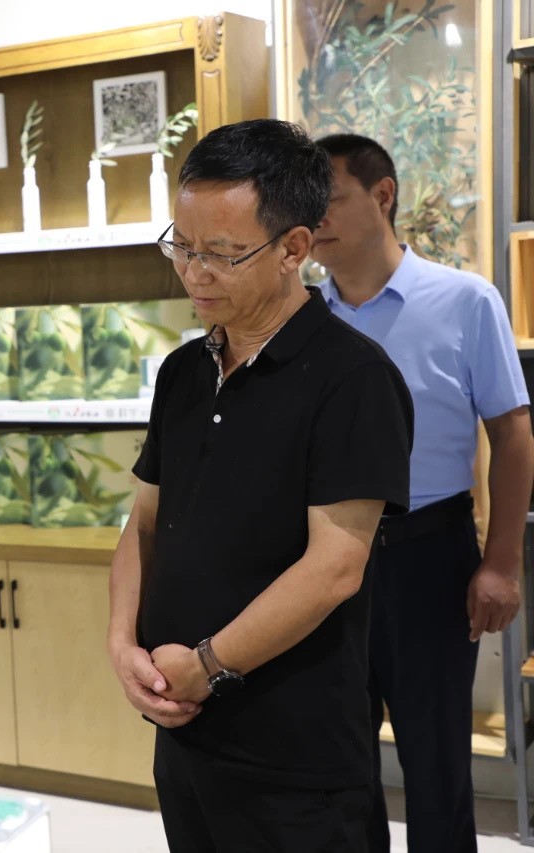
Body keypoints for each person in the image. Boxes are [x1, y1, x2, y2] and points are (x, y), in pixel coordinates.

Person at [106, 118, 414, 852]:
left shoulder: (353, 378)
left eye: (221, 253)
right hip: (185, 734)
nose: (193, 273)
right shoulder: (182, 371)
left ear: (293, 249)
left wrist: (207, 666)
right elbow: (143, 523)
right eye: (182, 246)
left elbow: (335, 567)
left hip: (296, 758)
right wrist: (122, 642)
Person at [311, 133, 534, 853]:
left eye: (330, 198)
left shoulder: (465, 300)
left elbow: (513, 435)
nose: (314, 217)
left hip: (429, 554)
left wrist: (501, 563)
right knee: (339, 760)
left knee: (437, 762)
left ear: (383, 195)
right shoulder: (302, 318)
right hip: (322, 556)